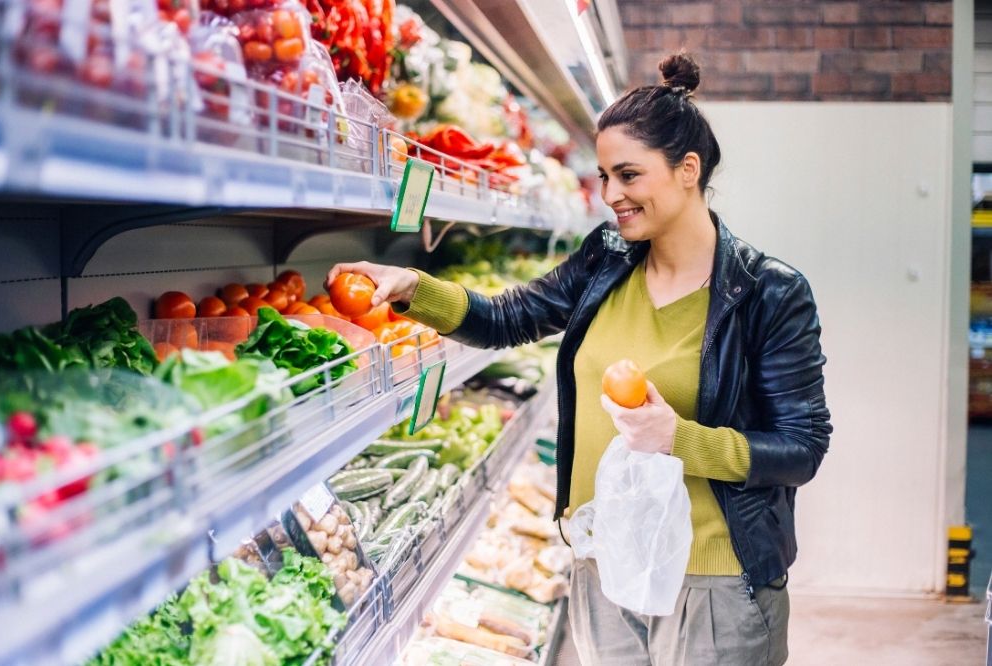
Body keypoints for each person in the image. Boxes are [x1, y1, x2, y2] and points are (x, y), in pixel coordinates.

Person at [326, 53, 831, 666]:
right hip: (602, 562)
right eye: (603, 176)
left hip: (711, 578)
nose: (610, 195)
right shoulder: (607, 258)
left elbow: (801, 448)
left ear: (687, 170)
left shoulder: (768, 292)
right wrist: (413, 287)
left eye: (628, 175)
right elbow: (511, 317)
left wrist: (679, 438)